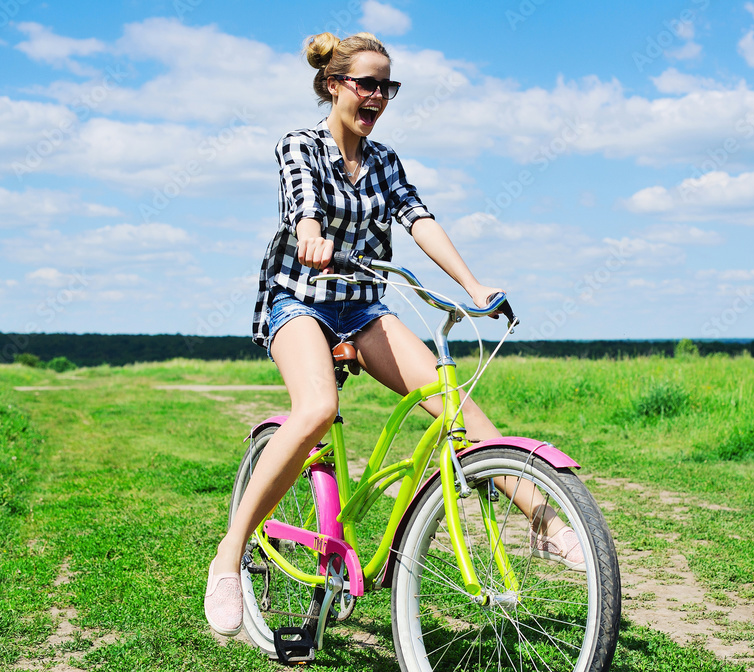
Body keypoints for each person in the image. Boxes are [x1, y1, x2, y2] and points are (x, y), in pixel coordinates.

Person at [204, 31, 582, 637]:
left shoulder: (384, 163)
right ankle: (229, 554)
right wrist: (308, 231)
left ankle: (547, 523)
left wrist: (475, 286)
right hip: (298, 300)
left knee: (457, 409)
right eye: (367, 84)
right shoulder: (299, 144)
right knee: (318, 409)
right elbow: (300, 199)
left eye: (388, 87)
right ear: (334, 86)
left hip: (361, 307)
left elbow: (418, 218)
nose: (377, 96)